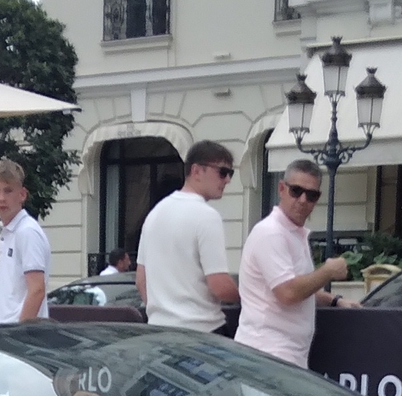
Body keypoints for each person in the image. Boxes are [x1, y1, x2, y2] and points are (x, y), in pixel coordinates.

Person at [236, 157, 348, 368]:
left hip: (283, 355)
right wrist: (328, 271)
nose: (303, 200)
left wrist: (334, 300)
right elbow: (288, 292)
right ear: (281, 188)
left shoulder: (293, 234)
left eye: (311, 195)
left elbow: (299, 287)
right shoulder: (271, 233)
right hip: (267, 355)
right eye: (296, 191)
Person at [136, 141, 237, 332]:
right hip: (202, 330)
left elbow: (141, 279)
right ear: (197, 171)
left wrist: (165, 313)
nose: (227, 180)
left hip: (159, 330)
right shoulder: (206, 216)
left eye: (230, 173)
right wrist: (250, 296)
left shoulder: (154, 214)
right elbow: (219, 285)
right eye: (222, 172)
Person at [0, 159, 50, 324]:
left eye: (8, 191)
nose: (1, 198)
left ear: (22, 194)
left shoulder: (27, 232)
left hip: (20, 336)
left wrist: (19, 333)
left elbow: (37, 289)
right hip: (6, 331)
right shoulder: (9, 232)